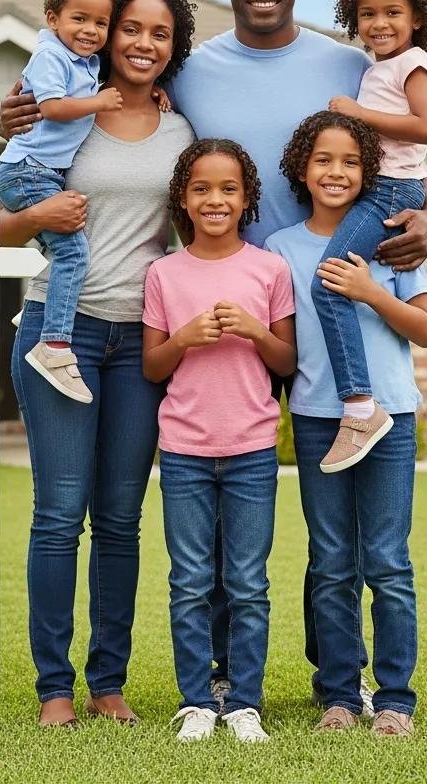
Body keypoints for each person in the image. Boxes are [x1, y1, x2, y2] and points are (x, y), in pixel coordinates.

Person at [0, 0, 427, 710]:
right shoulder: (178, 79)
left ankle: (328, 680)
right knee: (125, 512)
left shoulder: (349, 62)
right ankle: (154, 682)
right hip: (171, 319)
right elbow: (25, 172)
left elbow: (408, 151)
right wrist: (22, 125)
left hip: (301, 305)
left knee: (304, 509)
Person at [0, 0, 197, 727]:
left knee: (119, 519)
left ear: (172, 50)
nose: (144, 44)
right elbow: (0, 221)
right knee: (58, 514)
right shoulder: (64, 112)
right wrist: (33, 216)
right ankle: (54, 689)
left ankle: (107, 682)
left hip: (138, 343)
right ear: (106, 35)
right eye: (131, 29)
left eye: (161, 34)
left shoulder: (183, 130)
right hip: (61, 327)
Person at [267, 111, 427, 737]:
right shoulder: (281, 249)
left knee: (387, 559)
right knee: (332, 559)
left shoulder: (393, 238)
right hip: (317, 419)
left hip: (388, 414)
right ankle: (339, 694)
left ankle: (395, 700)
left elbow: (426, 330)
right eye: (323, 161)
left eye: (350, 162)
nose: (336, 173)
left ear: (369, 173)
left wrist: (371, 291)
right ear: (302, 171)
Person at [143, 140, 295, 743]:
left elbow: (287, 360)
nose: (215, 199)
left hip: (253, 448)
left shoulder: (269, 269)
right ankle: (197, 701)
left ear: (247, 198)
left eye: (228, 189)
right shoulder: (163, 272)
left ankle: (245, 702)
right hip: (183, 451)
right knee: (190, 579)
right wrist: (183, 338)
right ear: (183, 197)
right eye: (202, 188)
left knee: (248, 581)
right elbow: (154, 367)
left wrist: (256, 330)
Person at [313, 0, 427, 473]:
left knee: (329, 283)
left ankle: (359, 407)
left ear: (417, 17)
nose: (380, 23)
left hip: (393, 192)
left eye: (393, 12)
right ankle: (359, 407)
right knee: (333, 284)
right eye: (368, 14)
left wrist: (355, 113)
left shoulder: (413, 63)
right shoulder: (378, 67)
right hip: (383, 187)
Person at [0, 0, 120, 404]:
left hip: (39, 170)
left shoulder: (86, 61)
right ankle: (54, 344)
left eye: (101, 22)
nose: (90, 30)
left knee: (63, 248)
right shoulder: (50, 56)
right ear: (52, 19)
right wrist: (99, 102)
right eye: (79, 19)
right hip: (26, 169)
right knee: (72, 249)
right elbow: (50, 108)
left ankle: (48, 316)